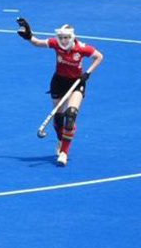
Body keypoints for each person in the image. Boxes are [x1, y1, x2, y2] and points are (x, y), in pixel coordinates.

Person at [16, 17, 103, 165]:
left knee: (71, 115)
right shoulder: (56, 44)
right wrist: (29, 35)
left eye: (66, 37)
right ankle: (60, 139)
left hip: (76, 82)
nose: (63, 40)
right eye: (61, 37)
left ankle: (64, 152)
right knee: (58, 117)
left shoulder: (81, 48)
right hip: (58, 82)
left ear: (72, 37)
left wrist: (87, 73)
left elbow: (99, 56)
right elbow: (37, 42)